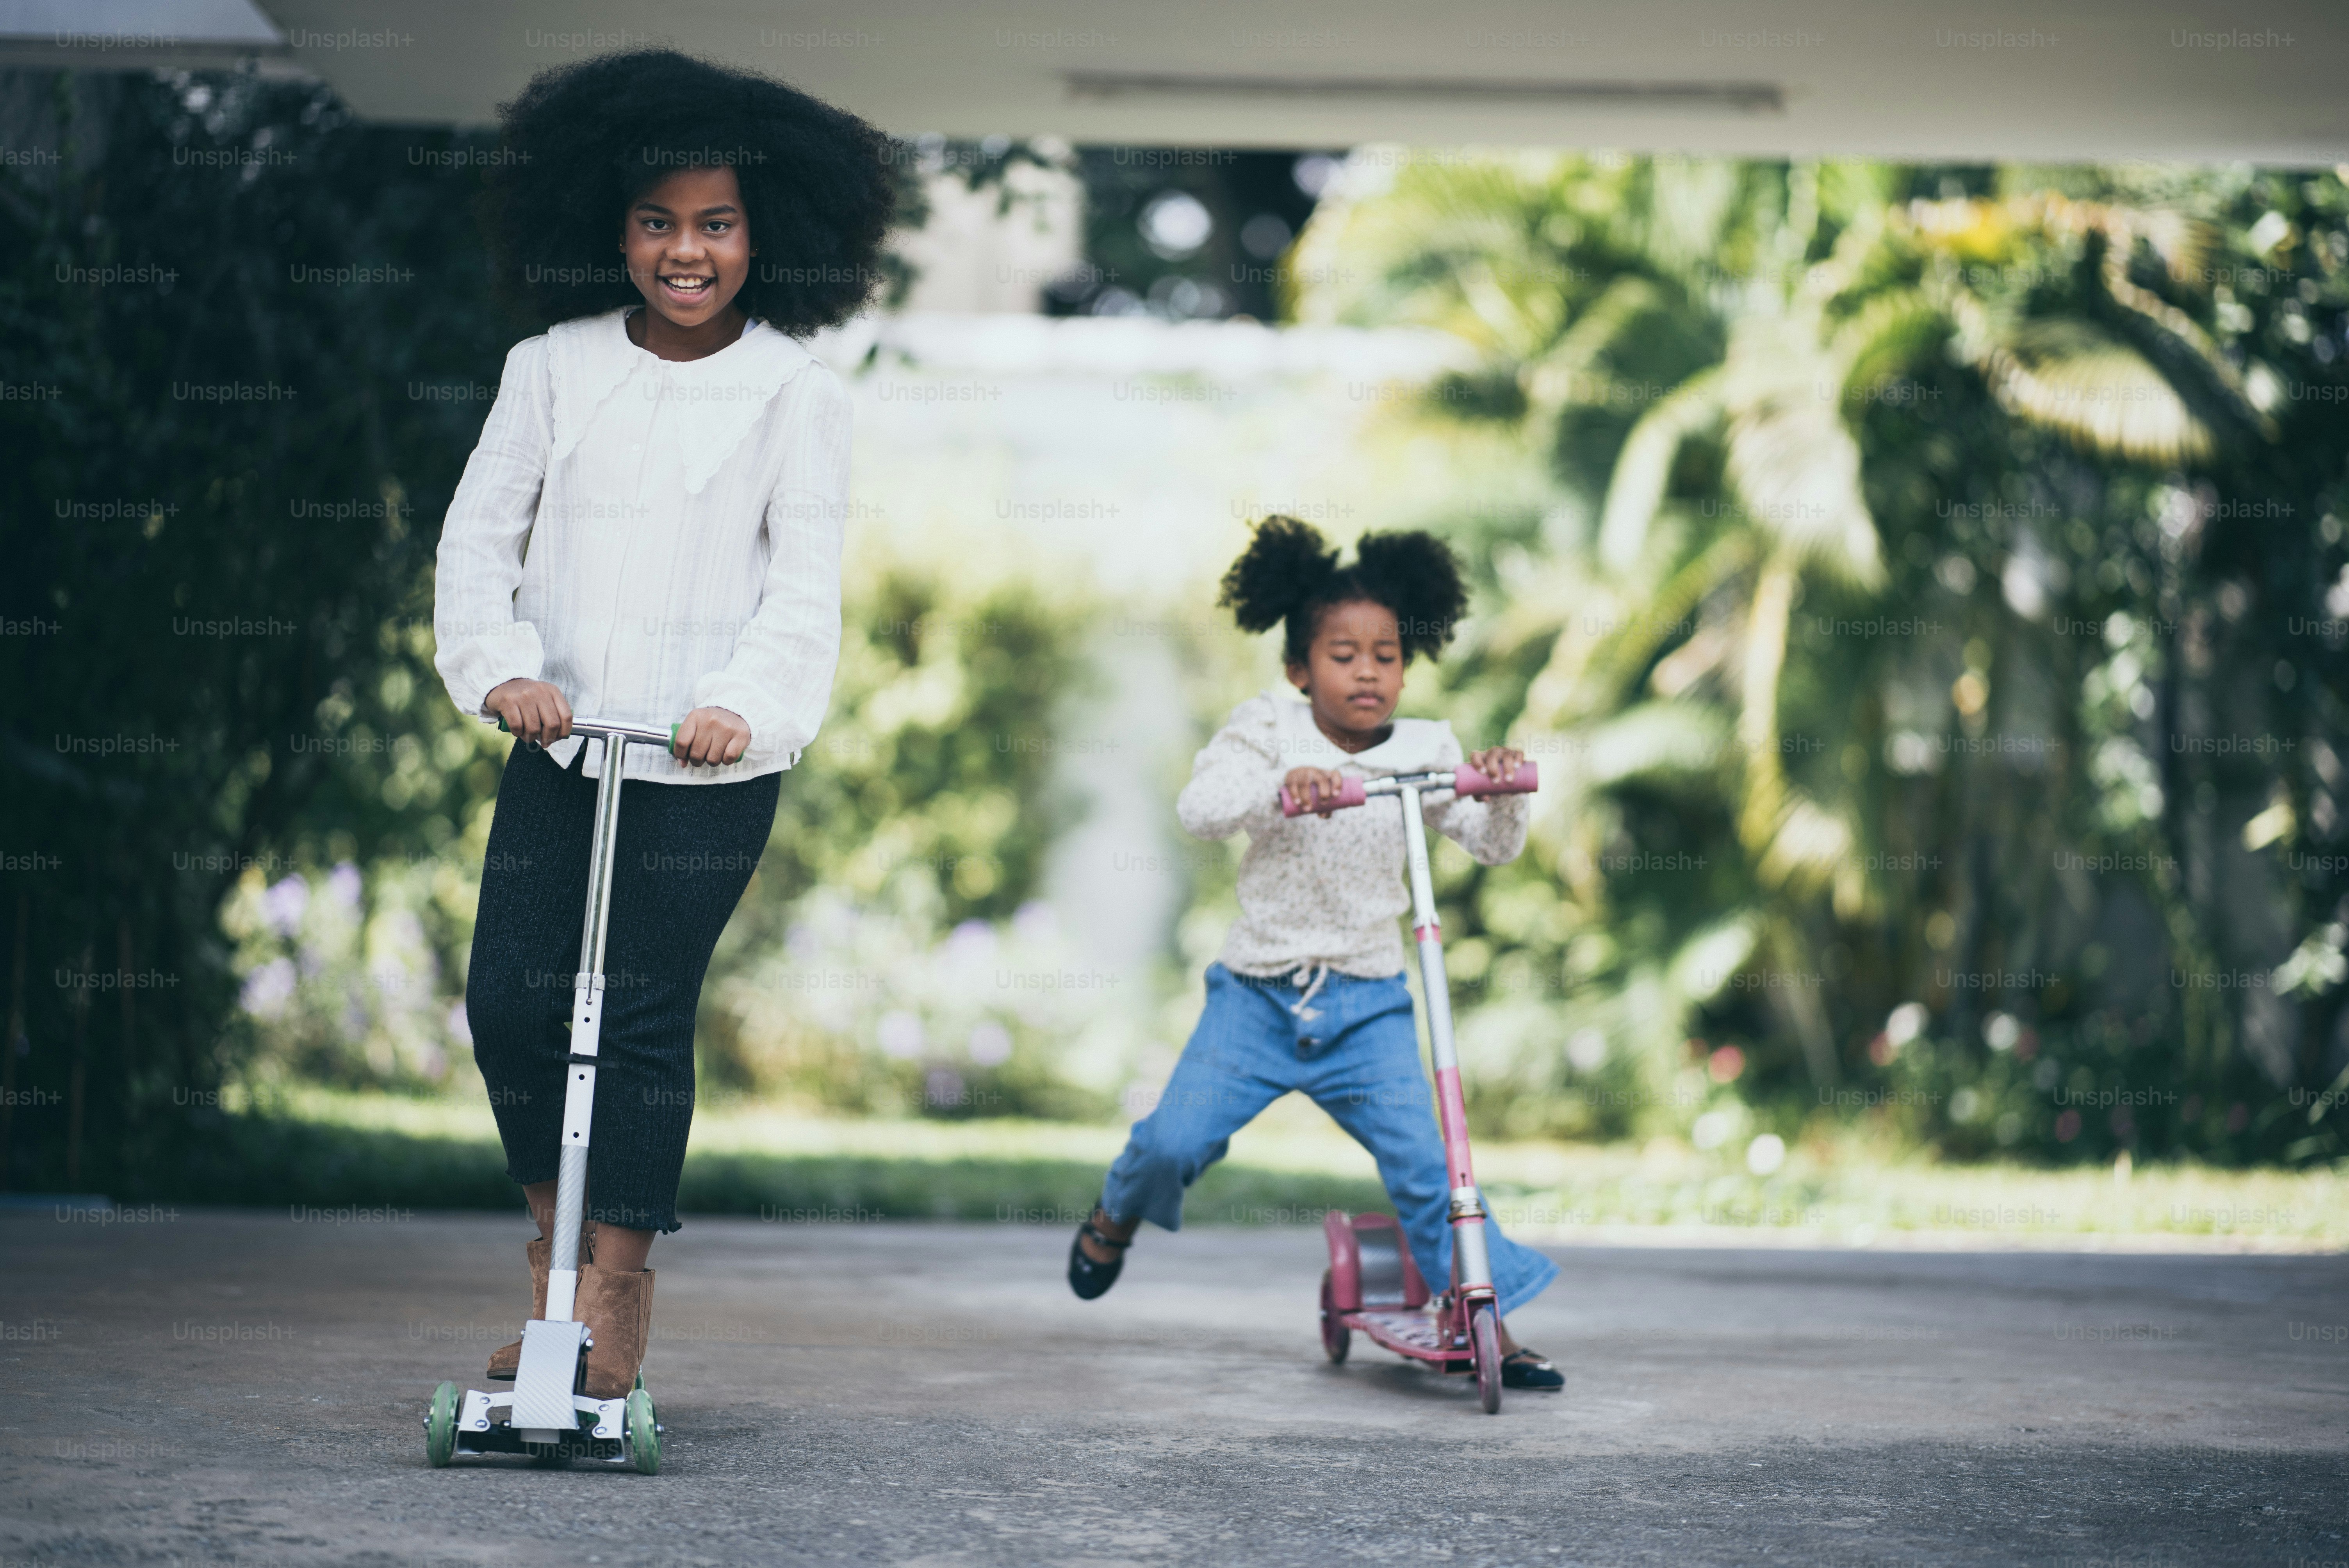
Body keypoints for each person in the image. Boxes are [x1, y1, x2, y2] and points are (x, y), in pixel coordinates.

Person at [431, 49, 892, 1399]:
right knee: (510, 997)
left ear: (767, 234)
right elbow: (477, 543)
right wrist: (503, 669)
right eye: (656, 220)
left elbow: (804, 588)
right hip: (565, 740)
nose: (683, 250)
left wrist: (737, 706)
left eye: (715, 223)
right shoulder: (551, 367)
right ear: (609, 225)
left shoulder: (797, 396)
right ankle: (553, 1264)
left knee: (633, 1017)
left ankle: (608, 1293)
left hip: (705, 763)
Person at [1068, 517, 1565, 1390]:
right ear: (1299, 668)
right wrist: (1280, 788)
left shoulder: (1425, 749)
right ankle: (1113, 1217)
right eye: (1342, 654)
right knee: (1172, 1143)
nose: (1367, 671)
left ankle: (1488, 1320)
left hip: (1368, 1002)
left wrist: (1497, 786)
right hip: (1258, 996)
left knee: (1428, 1164)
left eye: (1385, 654)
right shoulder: (1267, 730)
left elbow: (1491, 845)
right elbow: (1200, 807)